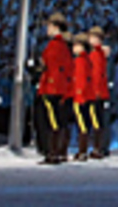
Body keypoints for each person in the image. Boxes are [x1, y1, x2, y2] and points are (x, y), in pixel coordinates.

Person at [36, 11, 73, 165]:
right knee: (57, 121)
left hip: (51, 88)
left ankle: (52, 152)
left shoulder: (55, 45)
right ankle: (57, 152)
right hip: (59, 88)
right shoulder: (64, 46)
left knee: (51, 122)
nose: (47, 29)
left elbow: (50, 66)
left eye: (49, 26)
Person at [71, 33, 94, 162]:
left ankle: (82, 151)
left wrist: (78, 95)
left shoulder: (80, 61)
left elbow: (80, 80)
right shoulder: (87, 60)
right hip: (87, 96)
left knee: (82, 126)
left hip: (80, 97)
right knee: (85, 125)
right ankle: (83, 150)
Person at [88, 26, 111, 159]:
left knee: (97, 121)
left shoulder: (96, 55)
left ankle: (98, 148)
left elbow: (96, 74)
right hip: (102, 92)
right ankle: (101, 147)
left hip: (97, 92)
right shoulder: (100, 54)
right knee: (100, 121)